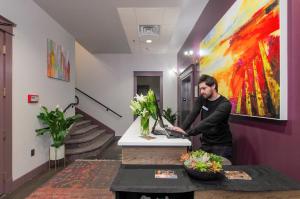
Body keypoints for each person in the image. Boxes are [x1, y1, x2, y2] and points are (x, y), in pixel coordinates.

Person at [172, 74, 233, 161]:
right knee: (200, 168)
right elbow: (192, 114)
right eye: (200, 89)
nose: (201, 92)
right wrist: (181, 129)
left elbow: (209, 122)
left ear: (213, 86)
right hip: (206, 143)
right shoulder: (202, 98)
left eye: (204, 88)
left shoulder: (225, 104)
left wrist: (187, 133)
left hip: (221, 145)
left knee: (218, 171)